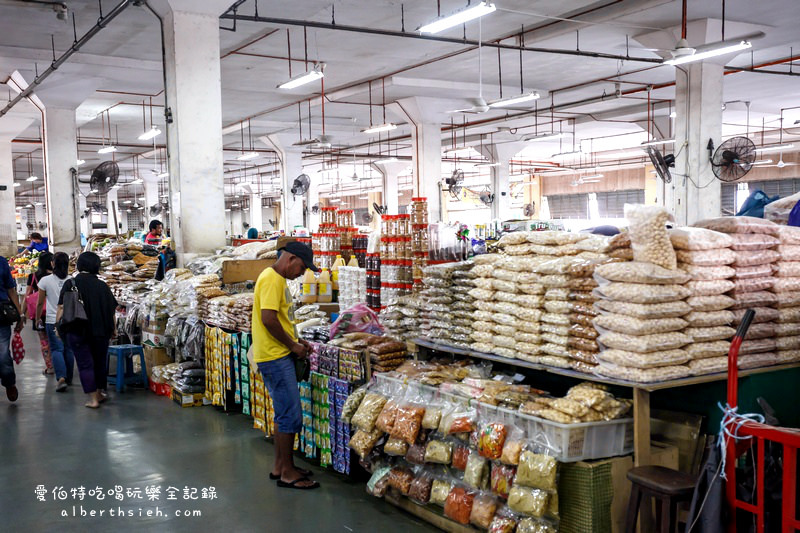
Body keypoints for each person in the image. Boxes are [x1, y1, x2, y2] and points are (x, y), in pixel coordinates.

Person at [252, 241, 319, 490]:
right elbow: (268, 319)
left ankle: (281, 466)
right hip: (275, 356)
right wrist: (292, 347)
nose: (301, 273)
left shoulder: (276, 279)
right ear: (290, 259)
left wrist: (297, 340)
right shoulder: (271, 279)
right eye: (301, 267)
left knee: (283, 414)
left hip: (276, 353)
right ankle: (288, 473)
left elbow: (280, 319)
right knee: (290, 414)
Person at [58, 252, 117, 408]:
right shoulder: (102, 286)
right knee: (99, 363)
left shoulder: (70, 284)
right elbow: (111, 310)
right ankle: (99, 392)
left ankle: (93, 399)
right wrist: (114, 328)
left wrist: (58, 327)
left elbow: (62, 308)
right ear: (96, 266)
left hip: (77, 330)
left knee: (85, 364)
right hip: (100, 332)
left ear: (79, 265)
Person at [37, 252, 74, 392]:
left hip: (53, 320)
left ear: (53, 263)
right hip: (70, 320)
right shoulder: (72, 280)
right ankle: (69, 377)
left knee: (57, 349)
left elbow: (40, 303)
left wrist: (38, 317)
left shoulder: (45, 281)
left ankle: (61, 378)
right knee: (69, 349)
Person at [25, 251, 53, 375]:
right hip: (54, 312)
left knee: (44, 341)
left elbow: (27, 296)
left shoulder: (33, 276)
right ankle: (61, 367)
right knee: (57, 341)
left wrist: (22, 314)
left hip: (39, 314)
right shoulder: (56, 276)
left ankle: (49, 366)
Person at [0, 256, 24, 402]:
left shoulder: (1, 262)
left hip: (1, 314)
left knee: (2, 354)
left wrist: (20, 313)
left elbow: (11, 289)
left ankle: (9, 382)